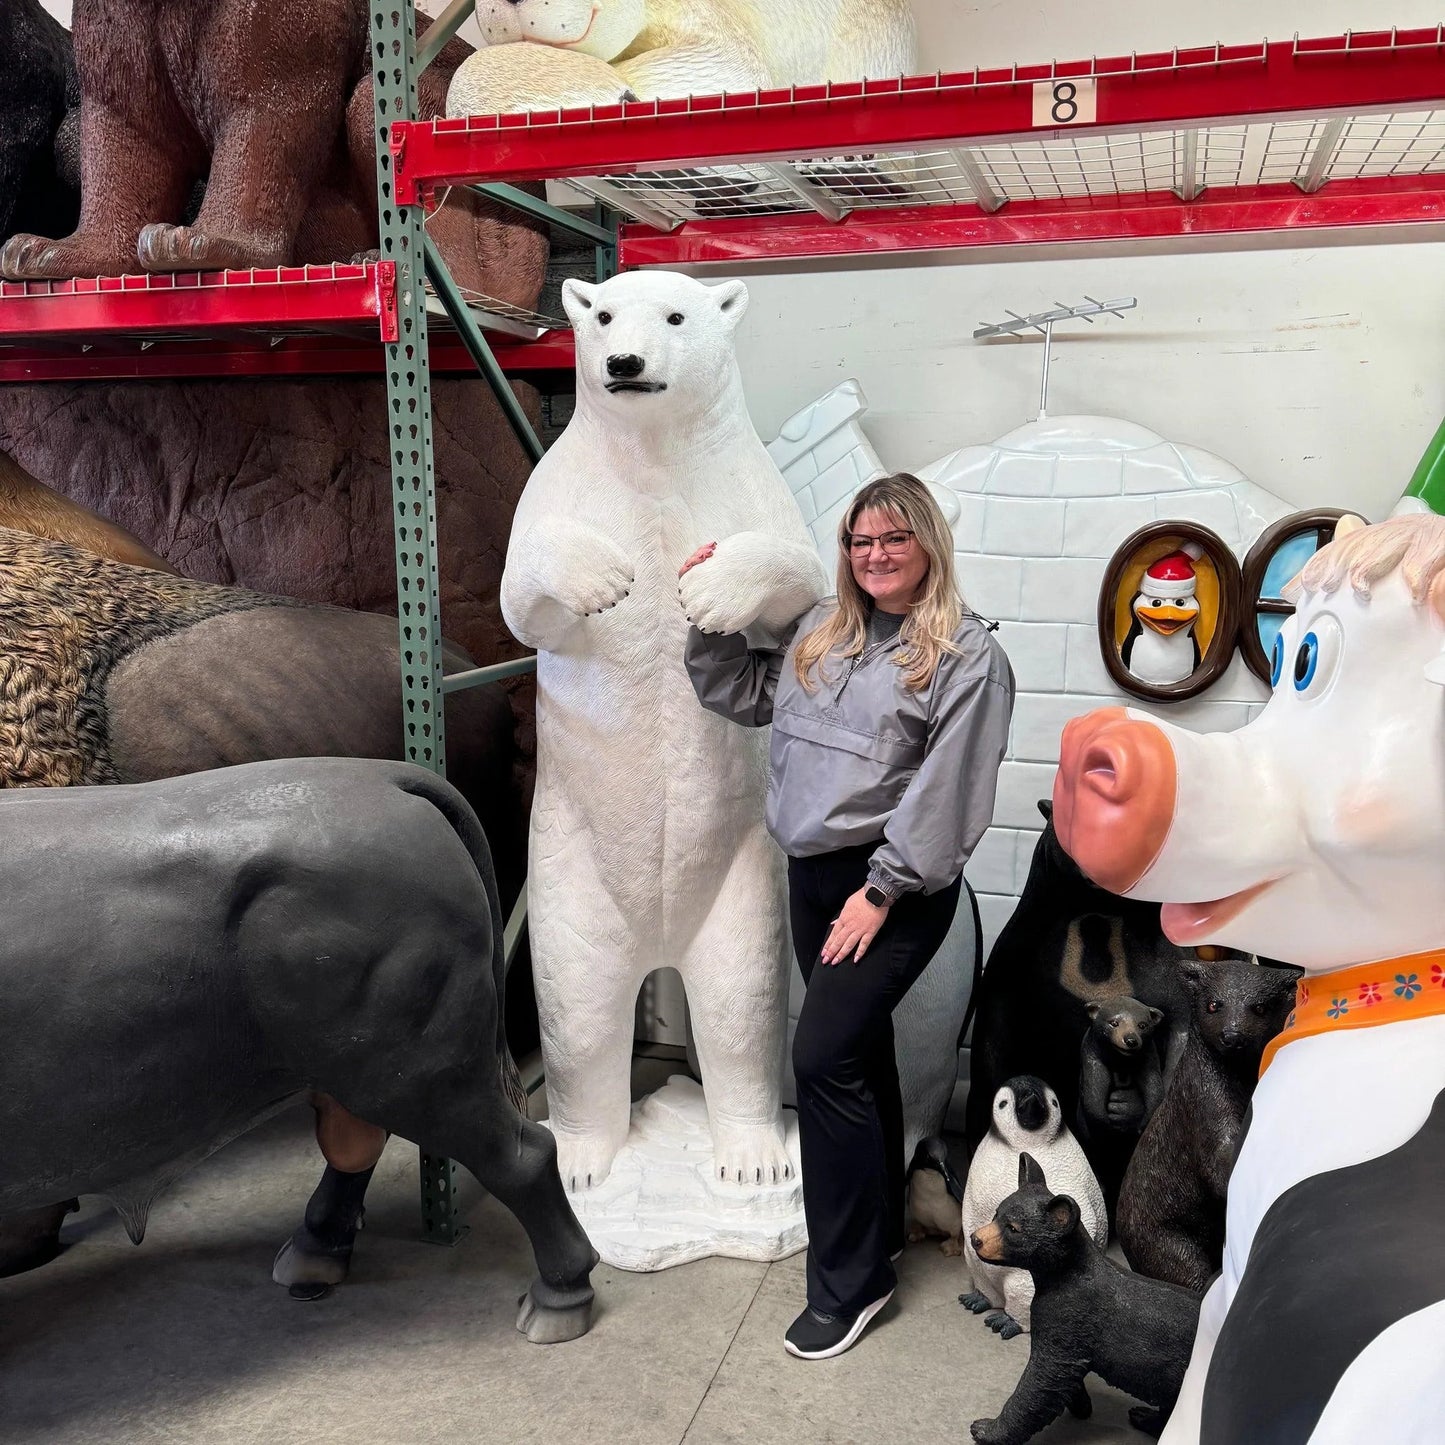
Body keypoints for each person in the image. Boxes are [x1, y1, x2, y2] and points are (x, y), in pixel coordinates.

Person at [680, 472, 1015, 1361]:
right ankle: (880, 1236)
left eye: (892, 540)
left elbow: (949, 796)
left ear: (926, 546)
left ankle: (850, 1284)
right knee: (857, 1060)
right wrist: (707, 608)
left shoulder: (964, 655)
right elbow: (741, 694)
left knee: (821, 1059)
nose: (874, 556)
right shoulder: (818, 635)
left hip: (891, 891)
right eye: (860, 542)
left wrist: (880, 891)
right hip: (812, 877)